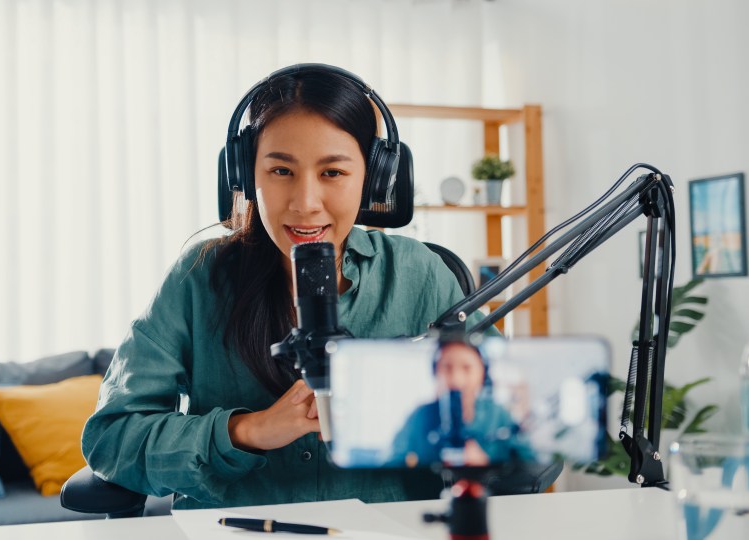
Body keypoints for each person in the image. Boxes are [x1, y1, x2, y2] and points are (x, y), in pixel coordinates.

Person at [80, 64, 481, 510]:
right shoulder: (199, 278)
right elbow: (111, 438)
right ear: (246, 175)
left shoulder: (421, 274)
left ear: (374, 177)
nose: (305, 204)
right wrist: (250, 431)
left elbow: (504, 418)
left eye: (332, 173)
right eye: (281, 171)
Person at [389, 340, 534, 468]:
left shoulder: (499, 415)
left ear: (483, 374)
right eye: (447, 367)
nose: (456, 380)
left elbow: (532, 468)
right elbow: (390, 463)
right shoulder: (420, 416)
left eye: (467, 368)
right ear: (435, 372)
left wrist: (486, 467)